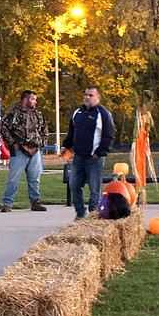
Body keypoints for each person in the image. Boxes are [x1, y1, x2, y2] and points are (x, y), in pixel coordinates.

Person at [61, 86, 116, 220]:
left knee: (94, 189)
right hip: (78, 157)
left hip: (94, 158)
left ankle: (93, 215)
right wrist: (65, 146)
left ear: (98, 97)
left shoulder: (102, 113)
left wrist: (99, 152)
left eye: (91, 95)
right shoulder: (78, 113)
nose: (87, 97)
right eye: (86, 94)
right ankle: (80, 213)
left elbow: (109, 135)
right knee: (73, 184)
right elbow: (72, 133)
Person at [0, 90, 49, 212]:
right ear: (25, 100)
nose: (35, 102)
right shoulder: (13, 113)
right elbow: (3, 128)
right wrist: (12, 143)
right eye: (33, 99)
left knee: (35, 178)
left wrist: (42, 143)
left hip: (35, 150)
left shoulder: (37, 114)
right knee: (13, 178)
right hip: (19, 151)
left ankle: (35, 202)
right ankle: (7, 203)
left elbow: (44, 129)